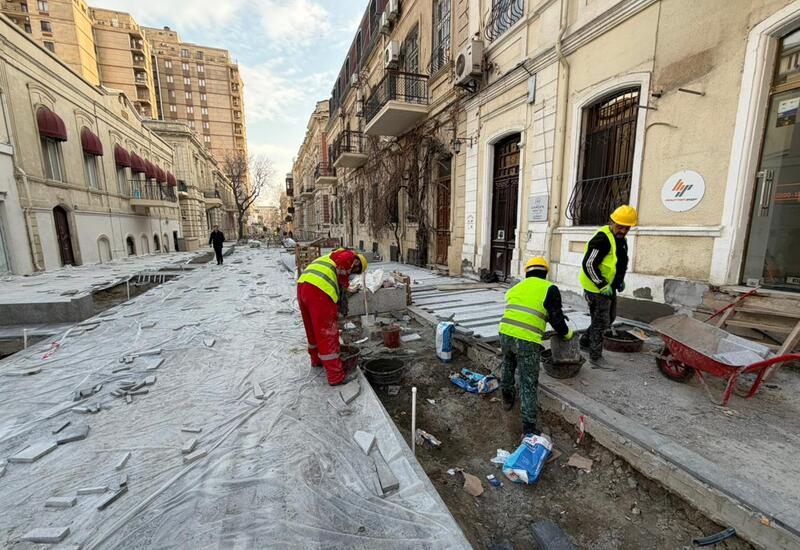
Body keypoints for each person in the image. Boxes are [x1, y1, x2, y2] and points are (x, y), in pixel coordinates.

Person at [499, 256, 573, 437]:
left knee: (508, 364)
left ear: (526, 273)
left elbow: (523, 309)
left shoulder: (515, 287)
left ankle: (507, 398)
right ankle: (529, 427)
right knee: (528, 381)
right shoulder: (549, 289)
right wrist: (567, 333)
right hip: (527, 340)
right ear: (545, 273)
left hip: (504, 333)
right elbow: (556, 320)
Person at [297, 248, 368, 386]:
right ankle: (336, 376)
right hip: (320, 291)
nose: (352, 273)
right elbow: (342, 270)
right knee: (327, 333)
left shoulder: (330, 257)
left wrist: (345, 287)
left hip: (303, 286)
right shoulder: (349, 256)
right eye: (356, 271)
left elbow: (338, 272)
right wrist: (344, 285)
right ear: (357, 263)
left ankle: (316, 360)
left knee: (312, 329)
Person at [578, 205, 637, 364]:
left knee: (609, 318)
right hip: (596, 288)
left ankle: (584, 341)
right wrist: (602, 284)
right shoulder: (602, 239)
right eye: (620, 227)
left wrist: (619, 280)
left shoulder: (620, 239)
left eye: (627, 228)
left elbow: (619, 262)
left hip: (609, 287)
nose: (623, 231)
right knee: (601, 322)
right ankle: (595, 357)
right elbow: (589, 265)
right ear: (612, 222)